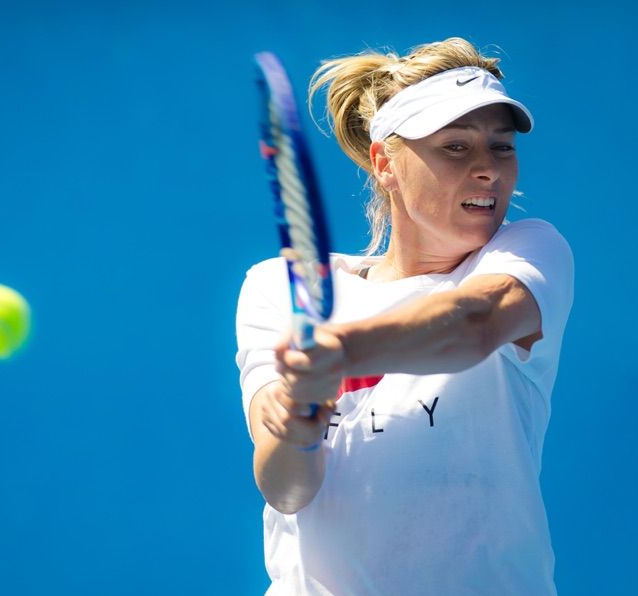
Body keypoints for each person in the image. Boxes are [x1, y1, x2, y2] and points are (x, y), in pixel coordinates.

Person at [236, 37, 573, 595]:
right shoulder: (276, 286)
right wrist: (296, 417)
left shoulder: (532, 251)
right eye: (457, 148)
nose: (488, 169)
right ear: (385, 162)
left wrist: (339, 353)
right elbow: (287, 491)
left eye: (501, 146)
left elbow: (473, 321)